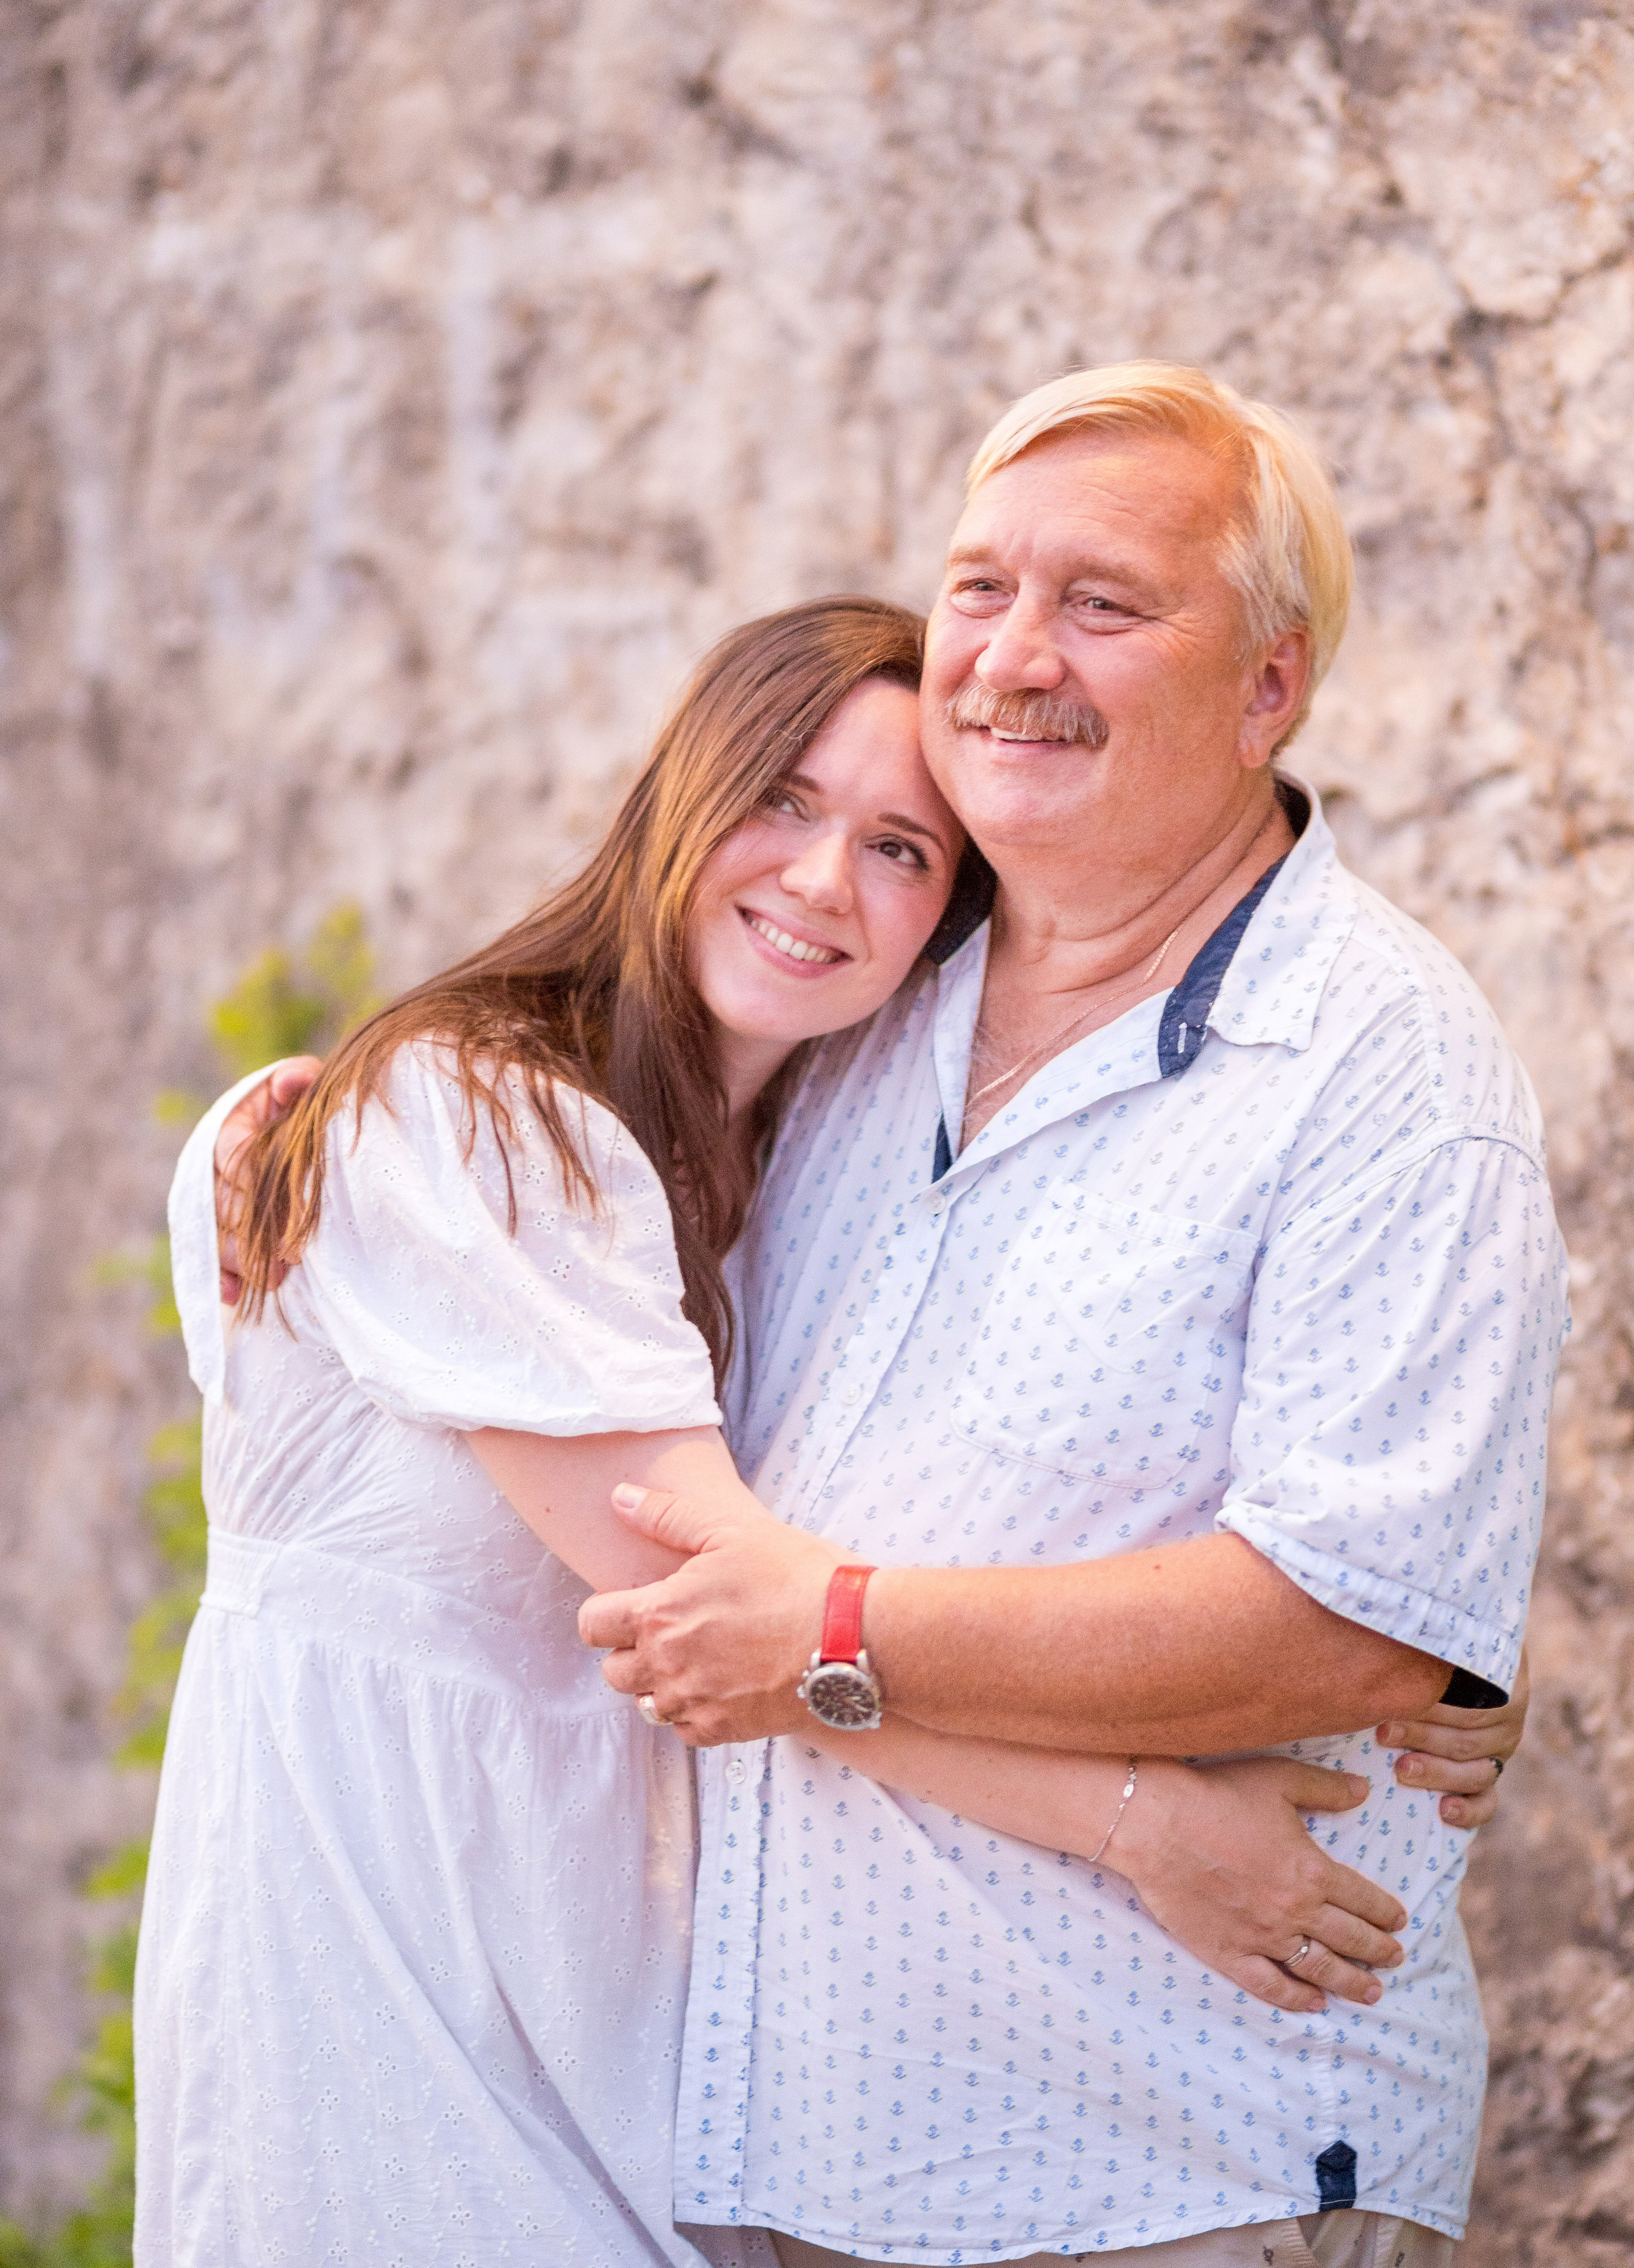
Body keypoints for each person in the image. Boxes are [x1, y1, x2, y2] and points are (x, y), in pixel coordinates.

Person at [145, 592, 1503, 2268]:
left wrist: (1397, 1666)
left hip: (639, 2021)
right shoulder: (475, 1119)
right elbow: (728, 1622)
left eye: (900, 850)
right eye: (778, 799)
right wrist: (1148, 1823)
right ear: (680, 789)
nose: (817, 881)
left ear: (952, 917)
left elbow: (894, 1563)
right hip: (398, 1976)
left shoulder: (789, 1189)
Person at [576, 366, 1567, 2267]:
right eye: (979, 589)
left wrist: (838, 1636)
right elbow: (606, 1110)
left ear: (1269, 683)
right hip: (783, 2170)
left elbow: (1353, 1615)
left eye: (1105, 605)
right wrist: (346, 1108)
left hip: (1159, 2167)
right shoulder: (879, 983)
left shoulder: (1381, 1069)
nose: (1016, 659)